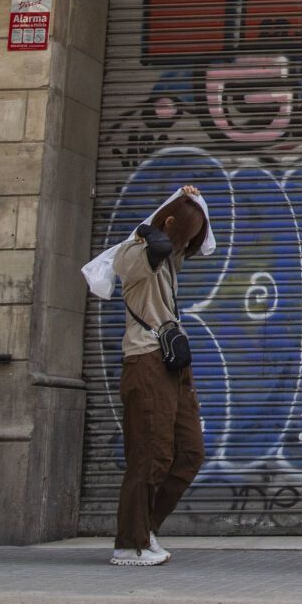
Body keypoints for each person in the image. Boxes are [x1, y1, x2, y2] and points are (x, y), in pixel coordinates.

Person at [105, 185, 216, 567]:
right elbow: (157, 246)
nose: (187, 244)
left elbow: (202, 245)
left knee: (189, 452)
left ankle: (144, 528)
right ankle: (130, 543)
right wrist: (159, 225)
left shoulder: (171, 257)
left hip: (173, 364)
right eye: (182, 233)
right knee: (150, 453)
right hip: (145, 360)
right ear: (167, 224)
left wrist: (193, 201)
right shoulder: (135, 254)